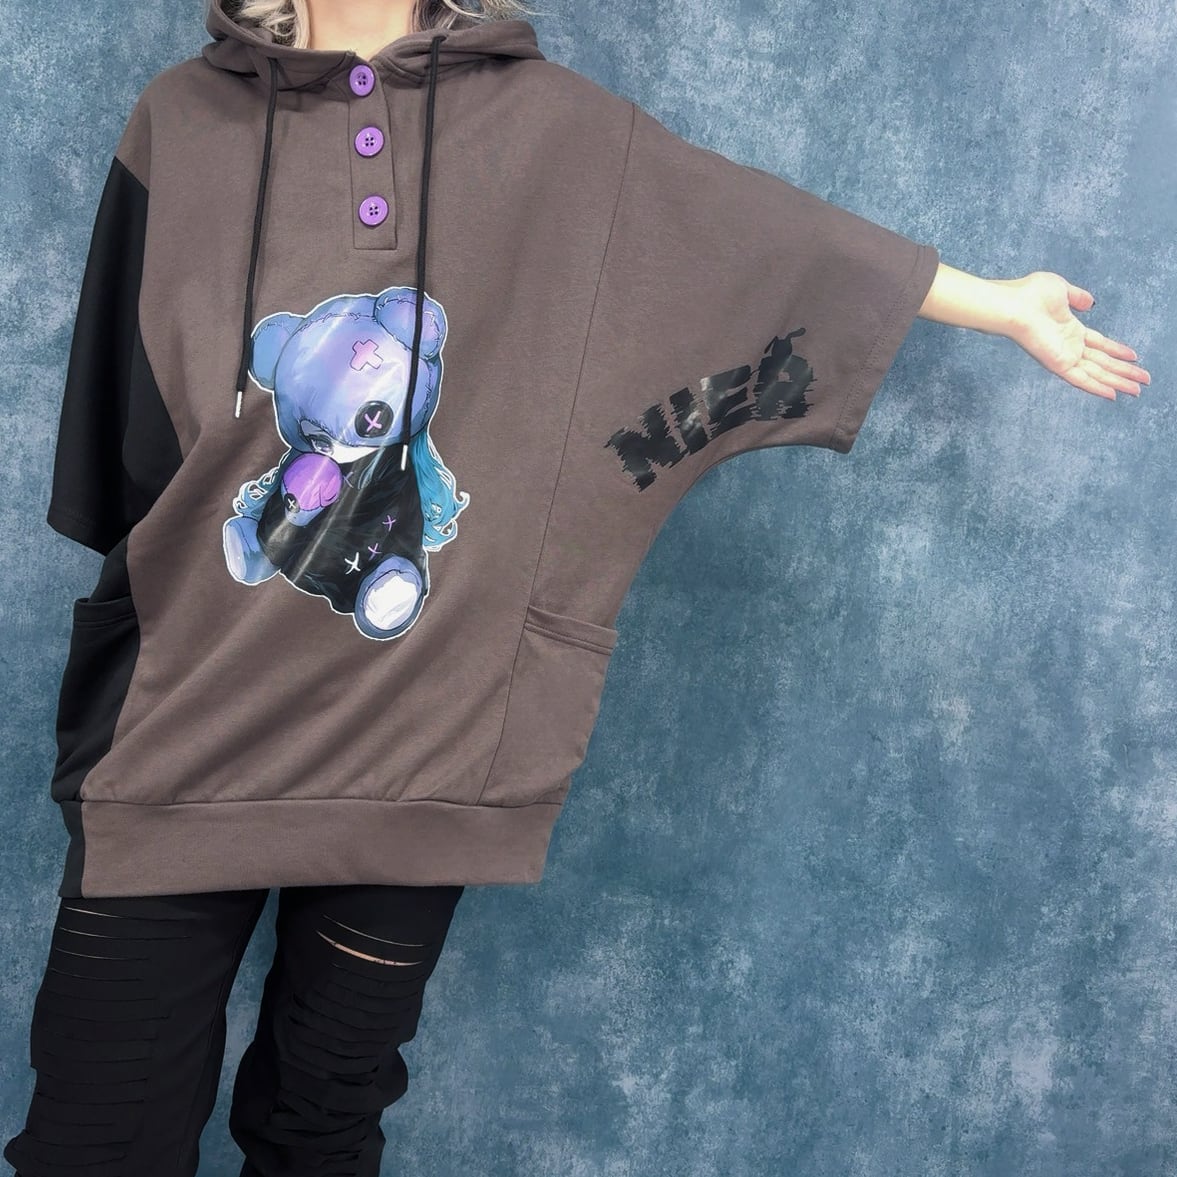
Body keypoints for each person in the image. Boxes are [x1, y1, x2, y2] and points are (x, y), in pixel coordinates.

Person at [5, 0, 1151, 1173]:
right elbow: (122, 442)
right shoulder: (179, 119)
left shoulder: (557, 129)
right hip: (187, 716)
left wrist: (996, 301)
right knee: (98, 1136)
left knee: (322, 1126)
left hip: (426, 727)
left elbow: (763, 241)